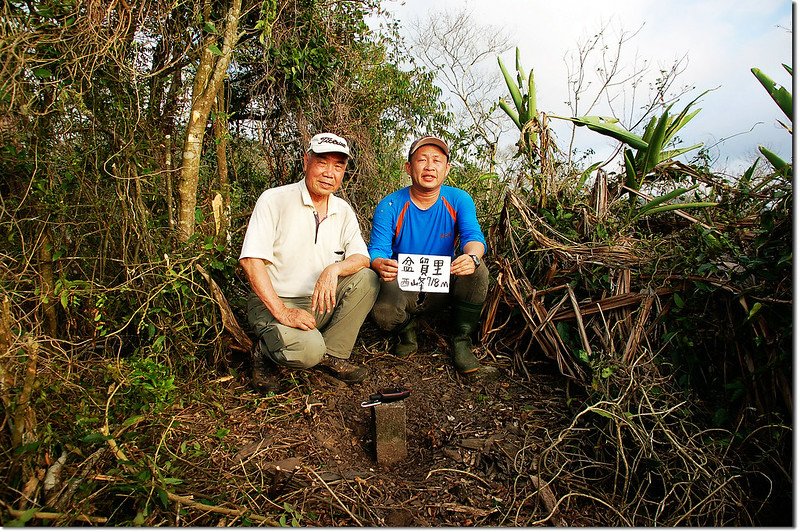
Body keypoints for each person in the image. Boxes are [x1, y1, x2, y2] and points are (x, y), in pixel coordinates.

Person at [240, 132, 379, 388]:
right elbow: (251, 261)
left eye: (338, 166)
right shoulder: (275, 199)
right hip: (274, 301)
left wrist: (334, 269)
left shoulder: (343, 210)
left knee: (367, 280)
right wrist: (282, 311)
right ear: (306, 161)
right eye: (322, 162)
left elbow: (362, 258)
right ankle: (265, 352)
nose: (329, 173)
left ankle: (333, 355)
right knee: (308, 352)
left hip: (316, 301)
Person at [368, 135, 492, 376]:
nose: (429, 166)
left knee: (478, 269)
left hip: (443, 283)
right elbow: (378, 250)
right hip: (404, 282)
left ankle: (461, 340)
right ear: (408, 167)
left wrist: (472, 257)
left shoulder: (458, 199)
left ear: (446, 169)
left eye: (437, 160)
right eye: (421, 160)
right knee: (383, 313)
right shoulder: (390, 205)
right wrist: (379, 263)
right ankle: (406, 329)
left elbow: (473, 237)